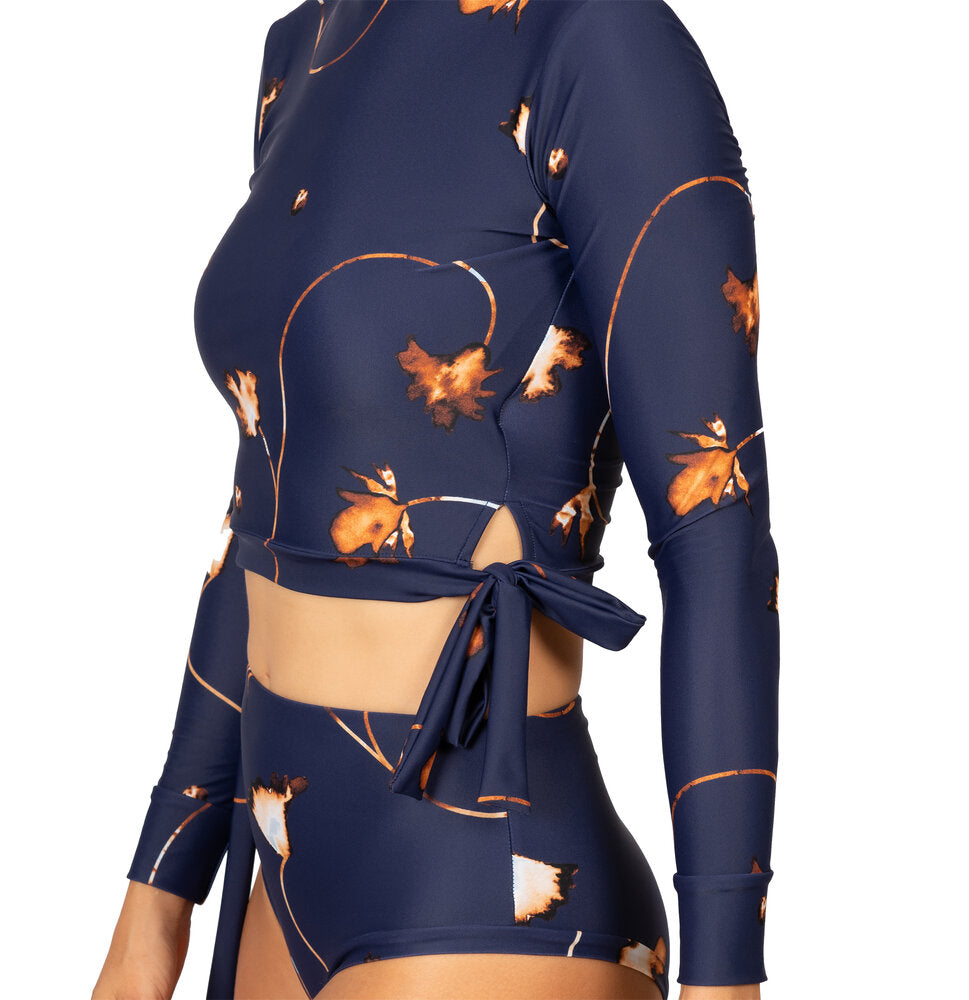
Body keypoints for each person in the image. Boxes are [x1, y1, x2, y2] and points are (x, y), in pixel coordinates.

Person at [93, 2, 780, 998]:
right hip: (274, 852)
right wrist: (155, 900)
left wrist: (727, 981)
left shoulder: (597, 36)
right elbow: (263, 506)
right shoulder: (303, 44)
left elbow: (717, 537)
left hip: (482, 879)